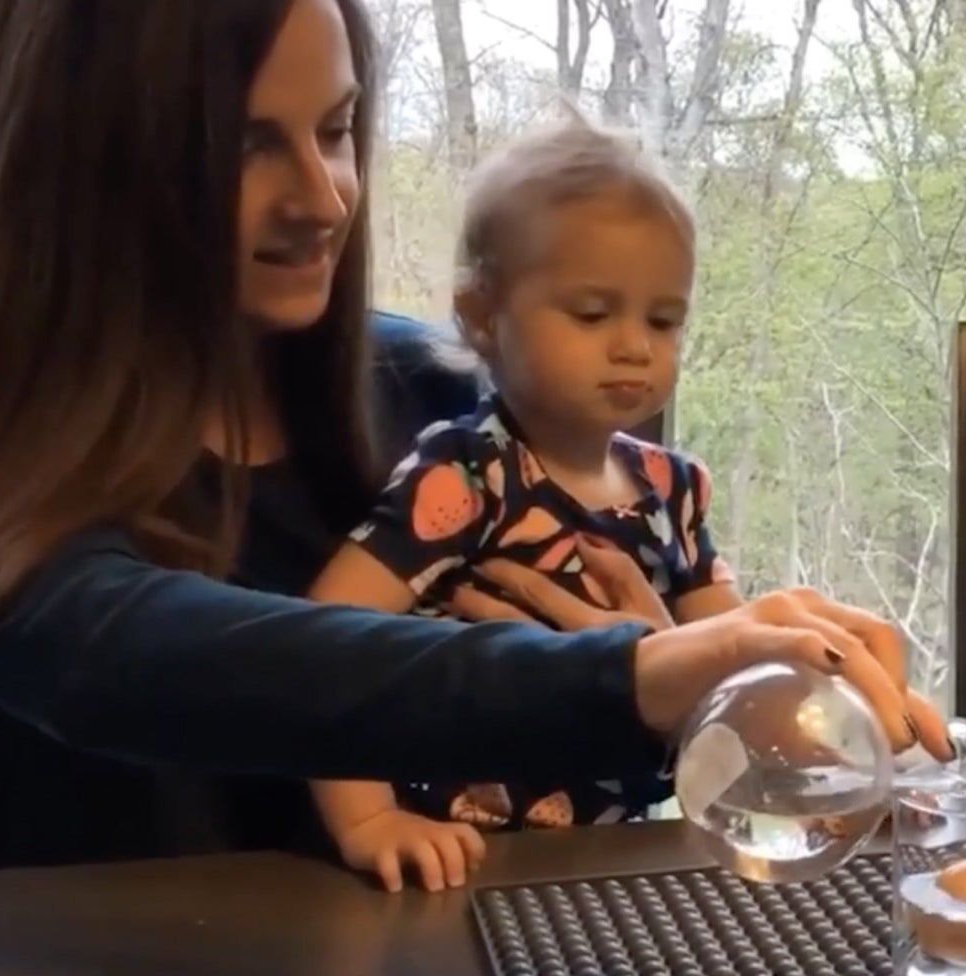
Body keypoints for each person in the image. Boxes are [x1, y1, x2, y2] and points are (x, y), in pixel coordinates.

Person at [0, 0, 946, 879]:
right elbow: (130, 658)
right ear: (84, 157)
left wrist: (682, 686)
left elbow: (524, 723)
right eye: (248, 145)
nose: (325, 195)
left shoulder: (421, 397)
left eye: (338, 129)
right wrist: (624, 677)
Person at [304, 108, 760, 888]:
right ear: (483, 316)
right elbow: (321, 644)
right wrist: (369, 819)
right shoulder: (466, 475)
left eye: (664, 319)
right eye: (592, 312)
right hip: (462, 860)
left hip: (619, 864)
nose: (634, 345)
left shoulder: (672, 489)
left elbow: (738, 672)